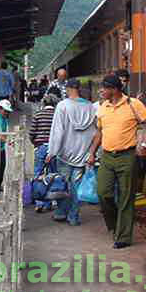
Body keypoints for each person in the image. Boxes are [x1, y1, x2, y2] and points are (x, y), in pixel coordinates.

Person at [88, 74, 146, 249]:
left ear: (115, 89)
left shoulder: (133, 104)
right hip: (107, 156)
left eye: (104, 88)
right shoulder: (103, 107)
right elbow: (99, 133)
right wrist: (92, 153)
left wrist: (144, 143)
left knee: (126, 196)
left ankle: (123, 237)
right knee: (103, 193)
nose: (101, 90)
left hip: (127, 156)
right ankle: (116, 224)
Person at [46, 78, 98, 226]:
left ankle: (61, 212)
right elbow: (96, 131)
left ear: (68, 89)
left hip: (65, 154)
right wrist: (91, 152)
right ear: (79, 89)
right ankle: (73, 216)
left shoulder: (62, 106)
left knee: (63, 185)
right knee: (76, 187)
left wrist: (52, 152)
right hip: (82, 154)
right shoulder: (90, 107)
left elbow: (57, 131)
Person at [29, 93, 60, 212]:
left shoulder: (38, 114)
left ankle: (39, 202)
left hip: (40, 147)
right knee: (53, 175)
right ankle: (50, 202)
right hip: (54, 148)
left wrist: (35, 144)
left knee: (38, 174)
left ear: (44, 103)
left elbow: (32, 132)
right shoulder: (57, 115)